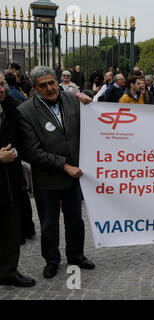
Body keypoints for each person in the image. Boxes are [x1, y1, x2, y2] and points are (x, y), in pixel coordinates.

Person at [17, 66, 95, 280]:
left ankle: (76, 255)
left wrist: (90, 105)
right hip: (48, 179)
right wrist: (64, 166)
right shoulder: (25, 111)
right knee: (49, 223)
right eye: (43, 85)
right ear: (34, 88)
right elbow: (33, 152)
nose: (50, 88)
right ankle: (52, 260)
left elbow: (92, 126)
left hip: (75, 177)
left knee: (75, 221)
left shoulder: (73, 100)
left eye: (52, 82)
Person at [0, 72, 36, 288]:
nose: (1, 89)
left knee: (11, 231)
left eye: (2, 84)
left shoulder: (12, 108)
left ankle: (8, 272)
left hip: (10, 183)